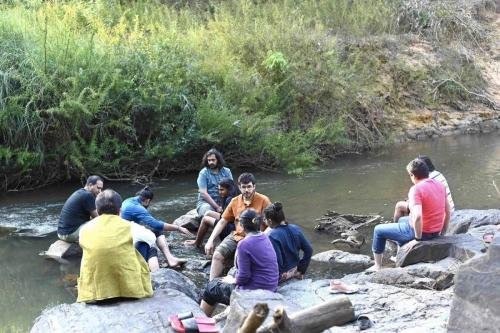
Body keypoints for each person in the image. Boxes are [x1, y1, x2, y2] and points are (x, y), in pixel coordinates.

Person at [369, 158, 450, 272]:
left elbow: (417, 216)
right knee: (402, 220)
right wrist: (442, 233)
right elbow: (448, 211)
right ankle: (401, 252)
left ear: (412, 175)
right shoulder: (440, 185)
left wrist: (417, 239)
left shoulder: (416, 189)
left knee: (378, 230)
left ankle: (377, 266)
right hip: (435, 231)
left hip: (422, 233)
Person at [77, 189, 153, 303]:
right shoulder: (129, 226)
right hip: (129, 292)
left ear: (97, 210)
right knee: (144, 244)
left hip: (95, 294)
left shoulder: (85, 229)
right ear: (120, 210)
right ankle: (143, 279)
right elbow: (152, 238)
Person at [200, 209, 278, 316]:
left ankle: (201, 320)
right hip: (271, 287)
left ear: (241, 225)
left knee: (212, 287)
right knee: (230, 274)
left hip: (252, 292)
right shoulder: (264, 237)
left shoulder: (244, 244)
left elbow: (244, 277)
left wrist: (233, 280)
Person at [204, 173, 271, 280]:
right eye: (243, 187)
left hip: (255, 238)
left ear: (254, 186)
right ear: (239, 187)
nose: (246, 190)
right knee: (217, 255)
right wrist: (210, 240)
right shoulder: (234, 201)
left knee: (241, 261)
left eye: (249, 186)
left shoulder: (264, 200)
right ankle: (211, 286)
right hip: (237, 236)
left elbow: (271, 225)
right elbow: (222, 221)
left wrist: (262, 237)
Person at [121, 187, 193, 267]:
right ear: (148, 200)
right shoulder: (138, 208)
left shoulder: (128, 200)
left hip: (123, 231)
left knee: (152, 232)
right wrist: (178, 228)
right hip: (127, 236)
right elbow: (156, 225)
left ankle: (170, 259)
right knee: (156, 233)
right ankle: (169, 260)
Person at [394, 155, 455, 223]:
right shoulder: (438, 174)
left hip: (438, 214)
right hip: (449, 210)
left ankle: (397, 227)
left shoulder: (425, 180)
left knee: (399, 206)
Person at [263, 202, 313, 282]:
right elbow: (309, 250)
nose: (264, 221)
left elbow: (277, 261)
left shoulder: (271, 236)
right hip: (296, 269)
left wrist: (282, 274)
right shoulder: (295, 228)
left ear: (270, 221)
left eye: (264, 219)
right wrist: (301, 270)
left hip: (284, 275)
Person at [184, 178, 239, 248]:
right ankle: (200, 239)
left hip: (230, 227)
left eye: (222, 190)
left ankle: (197, 243)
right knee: (208, 213)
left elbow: (228, 219)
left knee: (205, 219)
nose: (219, 192)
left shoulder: (230, 199)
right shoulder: (231, 196)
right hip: (228, 221)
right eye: (218, 189)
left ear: (229, 189)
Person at [57, 175, 103, 243]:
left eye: (101, 189)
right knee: (101, 224)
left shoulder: (81, 192)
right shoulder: (88, 195)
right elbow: (97, 218)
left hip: (61, 233)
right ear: (90, 185)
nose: (100, 191)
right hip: (69, 234)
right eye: (98, 188)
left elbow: (90, 216)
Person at [197, 148, 233, 217]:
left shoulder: (226, 171)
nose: (211, 162)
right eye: (209, 160)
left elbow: (232, 188)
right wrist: (217, 207)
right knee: (208, 211)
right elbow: (203, 193)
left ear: (218, 160)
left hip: (223, 202)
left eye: (213, 160)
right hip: (205, 203)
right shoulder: (203, 173)